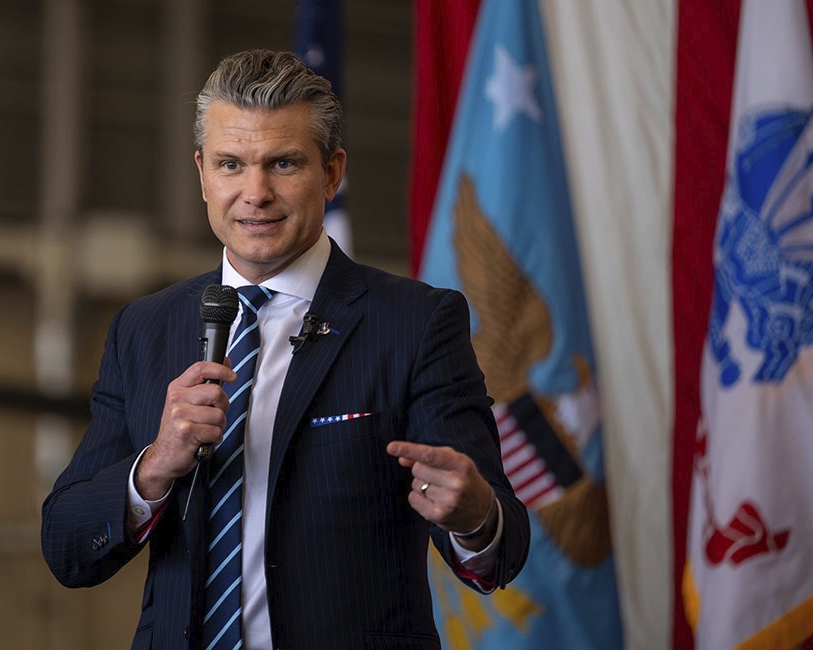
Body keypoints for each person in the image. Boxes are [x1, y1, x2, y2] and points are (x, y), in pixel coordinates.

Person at [41, 49, 529, 650]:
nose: (255, 192)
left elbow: (501, 551)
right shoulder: (143, 329)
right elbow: (66, 548)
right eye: (230, 164)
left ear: (332, 173)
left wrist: (475, 514)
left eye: (283, 163)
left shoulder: (417, 322)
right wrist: (154, 467)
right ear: (201, 174)